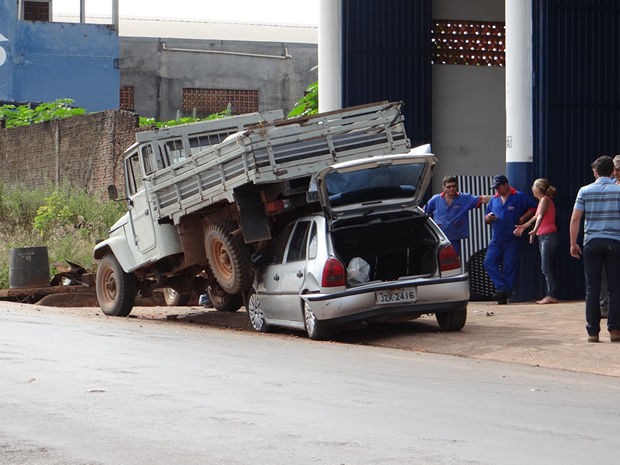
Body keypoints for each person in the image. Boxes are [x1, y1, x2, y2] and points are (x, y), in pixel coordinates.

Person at [569, 155, 620, 343]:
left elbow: (575, 219)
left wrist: (573, 243)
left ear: (595, 172)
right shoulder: (619, 191)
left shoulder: (585, 191)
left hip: (591, 242)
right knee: (615, 288)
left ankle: (593, 332)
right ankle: (615, 330)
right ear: (613, 171)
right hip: (615, 242)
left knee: (592, 288)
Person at [484, 174, 537, 304]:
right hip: (496, 237)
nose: (496, 190)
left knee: (510, 266)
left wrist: (524, 218)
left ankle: (503, 294)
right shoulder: (494, 199)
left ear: (506, 185)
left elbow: (534, 207)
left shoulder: (519, 196)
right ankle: (503, 288)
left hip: (512, 237)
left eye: (498, 187)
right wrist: (489, 218)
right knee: (488, 262)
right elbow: (486, 217)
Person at [513, 179, 559, 304]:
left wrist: (534, 230)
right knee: (547, 266)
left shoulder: (544, 200)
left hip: (548, 236)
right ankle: (551, 293)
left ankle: (551, 295)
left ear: (538, 189)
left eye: (533, 186)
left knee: (546, 267)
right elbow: (535, 217)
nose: (532, 188)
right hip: (544, 237)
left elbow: (540, 217)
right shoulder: (542, 201)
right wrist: (524, 226)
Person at [424, 175, 490, 257]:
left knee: (453, 259)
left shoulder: (464, 198)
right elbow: (424, 213)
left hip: (454, 237)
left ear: (457, 186)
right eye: (448, 187)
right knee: (439, 260)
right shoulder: (435, 199)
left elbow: (482, 199)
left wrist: (500, 197)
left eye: (454, 186)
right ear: (443, 188)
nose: (451, 188)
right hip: (439, 237)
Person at [597, 155, 620, 319]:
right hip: (611, 237)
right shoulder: (610, 187)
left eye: (619, 170)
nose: (617, 173)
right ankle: (605, 306)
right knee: (605, 275)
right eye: (616, 170)